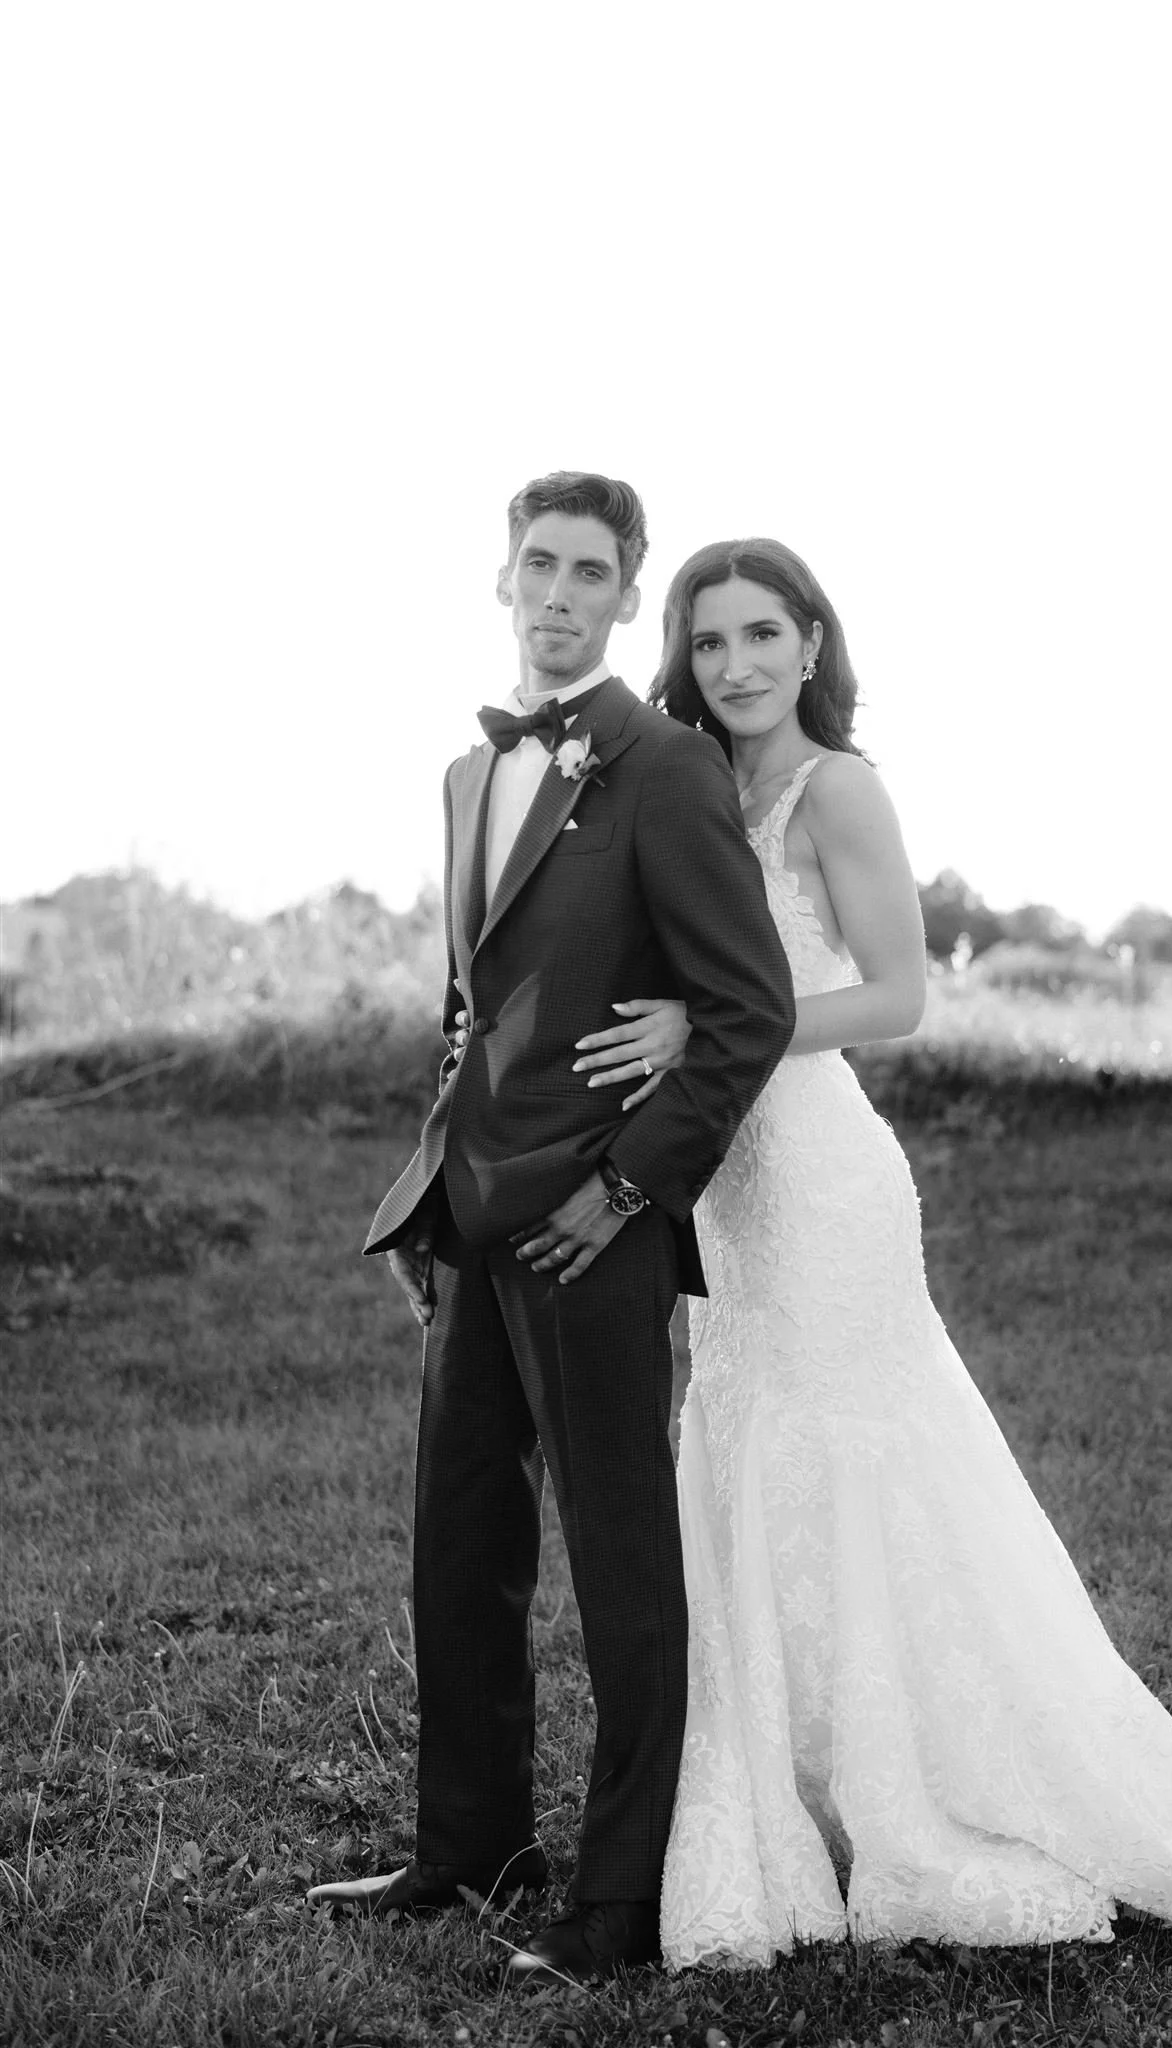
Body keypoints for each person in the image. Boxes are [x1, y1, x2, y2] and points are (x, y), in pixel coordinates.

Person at [569, 537, 1172, 1970]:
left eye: (766, 634)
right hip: (722, 1183)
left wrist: (717, 1025)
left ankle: (926, 1781)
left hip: (820, 1175)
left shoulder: (839, 789)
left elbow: (896, 998)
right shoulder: (698, 786)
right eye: (710, 643)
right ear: (683, 660)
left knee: (859, 1452)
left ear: (814, 644)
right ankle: (786, 1781)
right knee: (754, 1441)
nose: (740, 665)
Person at [307, 477, 797, 1987]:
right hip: (473, 1222)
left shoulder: (663, 770)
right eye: (540, 564)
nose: (562, 591)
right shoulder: (470, 774)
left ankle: (623, 1902)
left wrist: (629, 1187)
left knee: (623, 1570)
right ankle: (470, 1850)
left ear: (629, 595)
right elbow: (471, 1012)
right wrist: (424, 1191)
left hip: (599, 1227)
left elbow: (748, 1010)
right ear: (502, 579)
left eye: (595, 570)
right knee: (460, 1548)